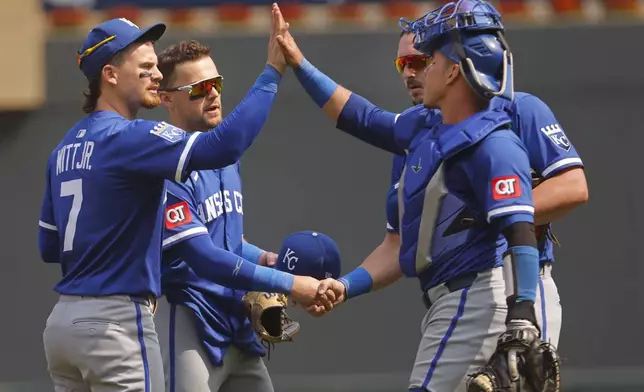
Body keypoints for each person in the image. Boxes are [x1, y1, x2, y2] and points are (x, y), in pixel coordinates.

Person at [274, 1, 572, 390]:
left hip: (496, 286)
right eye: (405, 65)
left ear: (455, 69)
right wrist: (346, 286)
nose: (415, 71)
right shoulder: (422, 131)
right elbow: (361, 119)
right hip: (454, 296)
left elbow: (553, 200)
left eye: (424, 59)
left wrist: (521, 308)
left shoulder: (510, 118)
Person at [37, 6, 326, 391]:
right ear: (110, 74)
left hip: (63, 326)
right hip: (117, 322)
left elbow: (49, 245)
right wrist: (273, 71)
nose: (156, 75)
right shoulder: (130, 136)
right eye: (145, 67)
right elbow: (226, 146)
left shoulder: (64, 149)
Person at [152, 39, 339, 392]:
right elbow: (203, 257)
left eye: (216, 84)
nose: (213, 95)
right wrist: (287, 283)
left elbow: (229, 243)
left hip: (236, 321)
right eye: (199, 89)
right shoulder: (165, 166)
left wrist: (271, 261)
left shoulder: (226, 158)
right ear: (166, 98)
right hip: (189, 318)